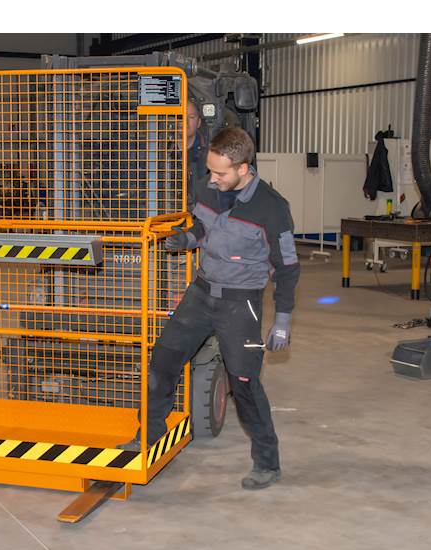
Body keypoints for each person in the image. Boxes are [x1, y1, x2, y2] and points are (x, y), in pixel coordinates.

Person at [123, 127, 300, 490]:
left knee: (244, 381)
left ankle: (267, 463)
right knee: (163, 360)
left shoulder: (271, 208)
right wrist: (185, 239)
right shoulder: (208, 187)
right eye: (210, 170)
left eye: (220, 172)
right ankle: (149, 435)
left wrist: (282, 318)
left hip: (241, 302)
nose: (212, 178)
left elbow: (287, 267)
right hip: (201, 293)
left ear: (243, 168)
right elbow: (202, 226)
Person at [186, 99, 209, 211]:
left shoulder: (210, 155)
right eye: (180, 116)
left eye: (191, 117)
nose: (185, 122)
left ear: (199, 122)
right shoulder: (159, 152)